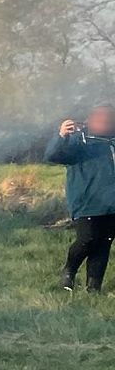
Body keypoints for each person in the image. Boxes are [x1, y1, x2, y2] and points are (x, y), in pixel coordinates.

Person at [46, 105, 115, 292]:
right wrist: (61, 136)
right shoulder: (78, 142)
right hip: (87, 202)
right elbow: (53, 156)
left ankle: (93, 288)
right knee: (87, 239)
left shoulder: (111, 143)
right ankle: (69, 270)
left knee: (104, 243)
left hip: (111, 204)